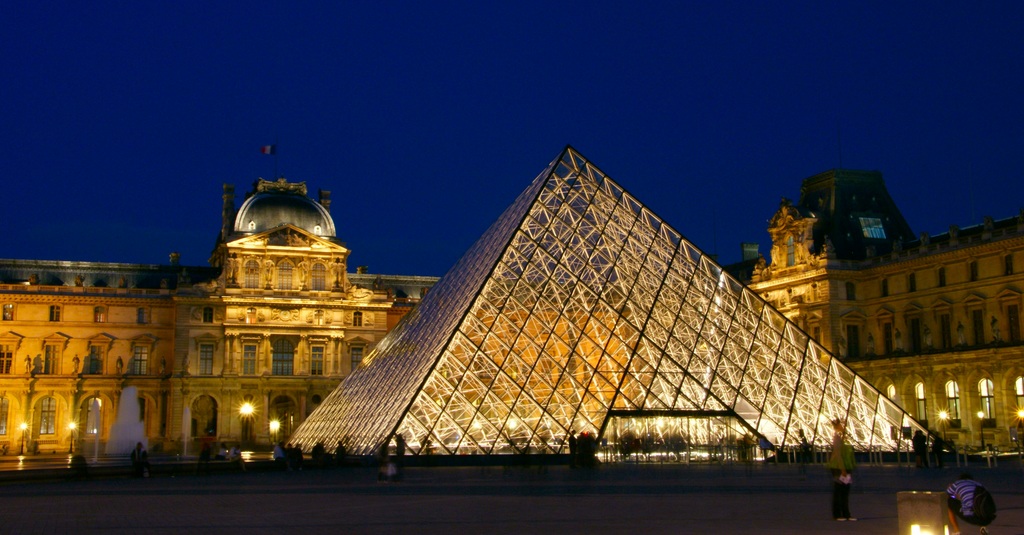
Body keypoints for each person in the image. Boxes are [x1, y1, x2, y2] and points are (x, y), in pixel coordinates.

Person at [827, 419, 856, 521]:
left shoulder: (846, 437)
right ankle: (838, 514)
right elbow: (838, 454)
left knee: (845, 491)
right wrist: (842, 468)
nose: (843, 427)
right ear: (837, 426)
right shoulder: (837, 437)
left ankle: (846, 514)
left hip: (846, 467)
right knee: (839, 490)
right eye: (841, 425)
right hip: (838, 467)